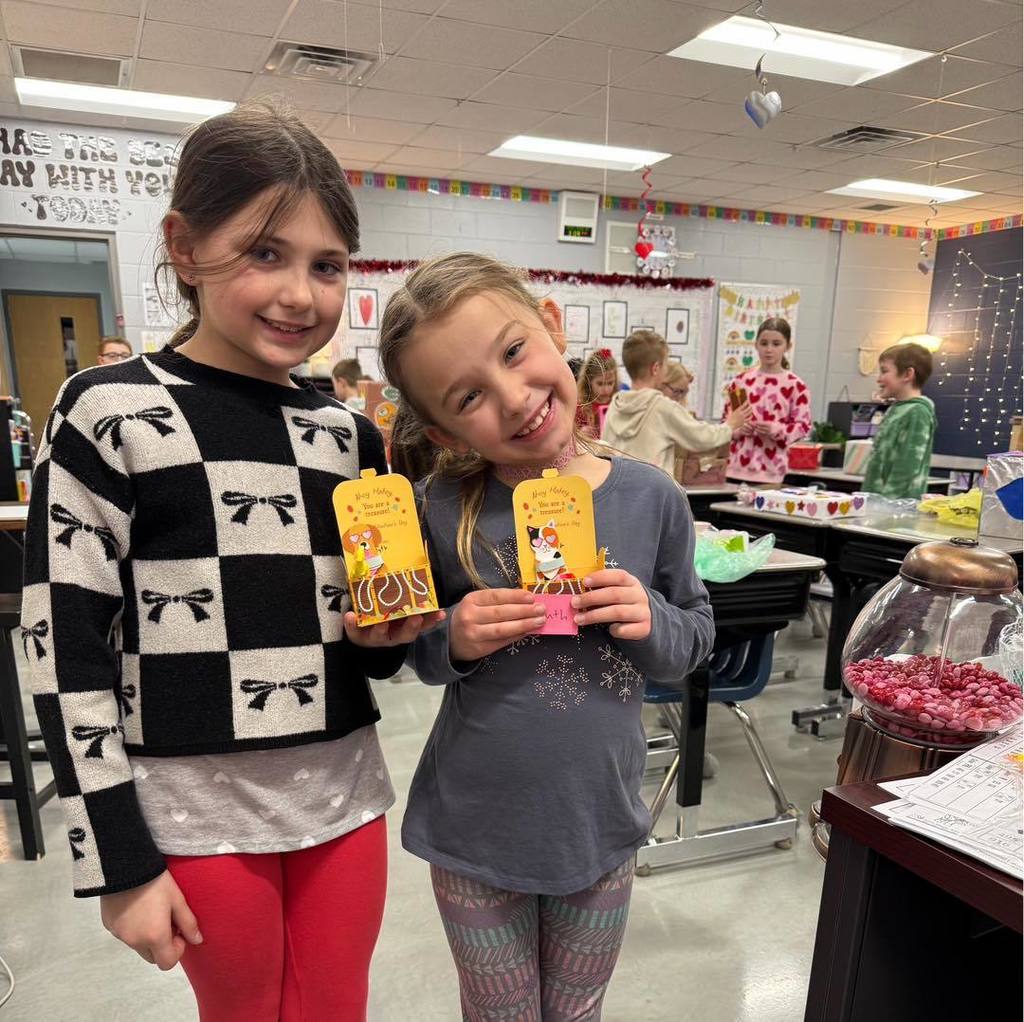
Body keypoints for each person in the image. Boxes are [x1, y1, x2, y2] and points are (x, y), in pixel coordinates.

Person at [19, 103, 440, 1022]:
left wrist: (387, 636)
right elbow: (63, 647)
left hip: (343, 796)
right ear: (183, 246)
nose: (300, 294)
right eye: (264, 252)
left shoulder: (349, 436)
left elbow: (365, 648)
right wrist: (119, 863)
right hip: (192, 811)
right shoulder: (107, 411)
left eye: (326, 265)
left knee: (336, 1011)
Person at [376, 252, 715, 1020]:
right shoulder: (433, 507)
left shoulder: (652, 496)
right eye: (469, 396)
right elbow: (414, 654)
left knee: (577, 1012)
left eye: (515, 351)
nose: (514, 397)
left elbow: (693, 638)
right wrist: (453, 637)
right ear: (440, 426)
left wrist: (648, 619)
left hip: (599, 826)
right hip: (474, 830)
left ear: (551, 327)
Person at [603, 328, 751, 476]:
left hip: (619, 493)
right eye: (665, 364)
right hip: (652, 494)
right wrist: (730, 425)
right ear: (656, 368)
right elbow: (701, 437)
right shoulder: (662, 407)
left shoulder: (615, 406)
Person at [724, 317, 811, 485]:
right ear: (756, 345)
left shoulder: (796, 386)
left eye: (776, 344)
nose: (769, 349)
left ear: (788, 346)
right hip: (736, 470)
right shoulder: (740, 382)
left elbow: (803, 427)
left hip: (773, 472)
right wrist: (739, 429)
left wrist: (776, 429)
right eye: (764, 343)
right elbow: (726, 422)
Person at [862, 342, 937, 499]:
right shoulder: (896, 409)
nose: (879, 379)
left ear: (907, 375)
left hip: (896, 507)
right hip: (875, 501)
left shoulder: (918, 412)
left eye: (884, 372)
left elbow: (907, 466)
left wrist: (887, 504)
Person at [575, 347, 619, 438]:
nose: (606, 390)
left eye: (610, 383)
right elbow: (567, 439)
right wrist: (580, 434)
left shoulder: (619, 403)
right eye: (600, 384)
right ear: (589, 381)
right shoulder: (581, 407)